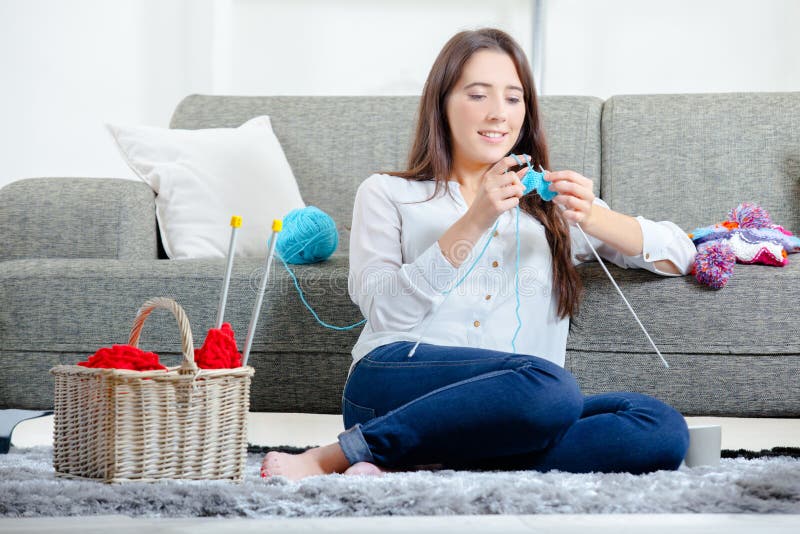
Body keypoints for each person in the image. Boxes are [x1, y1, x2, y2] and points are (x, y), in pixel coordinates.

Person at [261, 28, 694, 481]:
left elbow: (681, 254)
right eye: (478, 95)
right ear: (442, 102)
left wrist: (594, 218)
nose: (498, 114)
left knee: (659, 428)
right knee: (551, 389)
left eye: (513, 98)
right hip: (392, 386)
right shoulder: (387, 194)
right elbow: (384, 310)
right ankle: (336, 456)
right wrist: (477, 217)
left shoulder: (550, 210)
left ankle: (421, 461)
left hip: (518, 407)